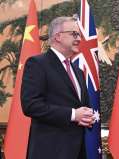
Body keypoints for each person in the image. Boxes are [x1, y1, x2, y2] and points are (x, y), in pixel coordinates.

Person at [21, 16, 95, 159]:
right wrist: (73, 115)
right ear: (58, 37)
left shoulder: (78, 71)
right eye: (74, 34)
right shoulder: (37, 64)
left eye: (79, 34)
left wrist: (86, 116)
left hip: (77, 151)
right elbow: (31, 105)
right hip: (50, 151)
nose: (79, 38)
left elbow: (79, 106)